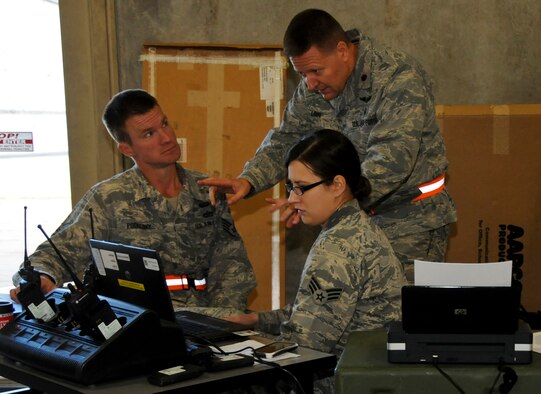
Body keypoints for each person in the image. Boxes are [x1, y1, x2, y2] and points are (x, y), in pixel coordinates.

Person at [199, 9, 457, 282]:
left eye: (315, 71)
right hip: (345, 216)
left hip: (407, 222)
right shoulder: (316, 86)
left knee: (395, 317)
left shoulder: (398, 79)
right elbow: (287, 138)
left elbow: (391, 160)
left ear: (343, 51)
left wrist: (319, 199)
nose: (309, 84)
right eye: (302, 74)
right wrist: (249, 180)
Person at [10, 89, 256, 317]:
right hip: (139, 324)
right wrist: (40, 278)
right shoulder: (109, 198)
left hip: (207, 321)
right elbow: (55, 253)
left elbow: (231, 263)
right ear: (127, 148)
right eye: (149, 134)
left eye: (165, 124)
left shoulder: (206, 189)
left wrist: (224, 319)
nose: (167, 138)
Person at [226, 129, 405, 393]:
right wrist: (255, 320)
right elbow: (313, 311)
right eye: (290, 187)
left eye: (301, 188)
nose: (292, 199)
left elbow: (304, 349)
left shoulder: (337, 248)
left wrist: (237, 357)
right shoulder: (356, 226)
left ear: (337, 185)